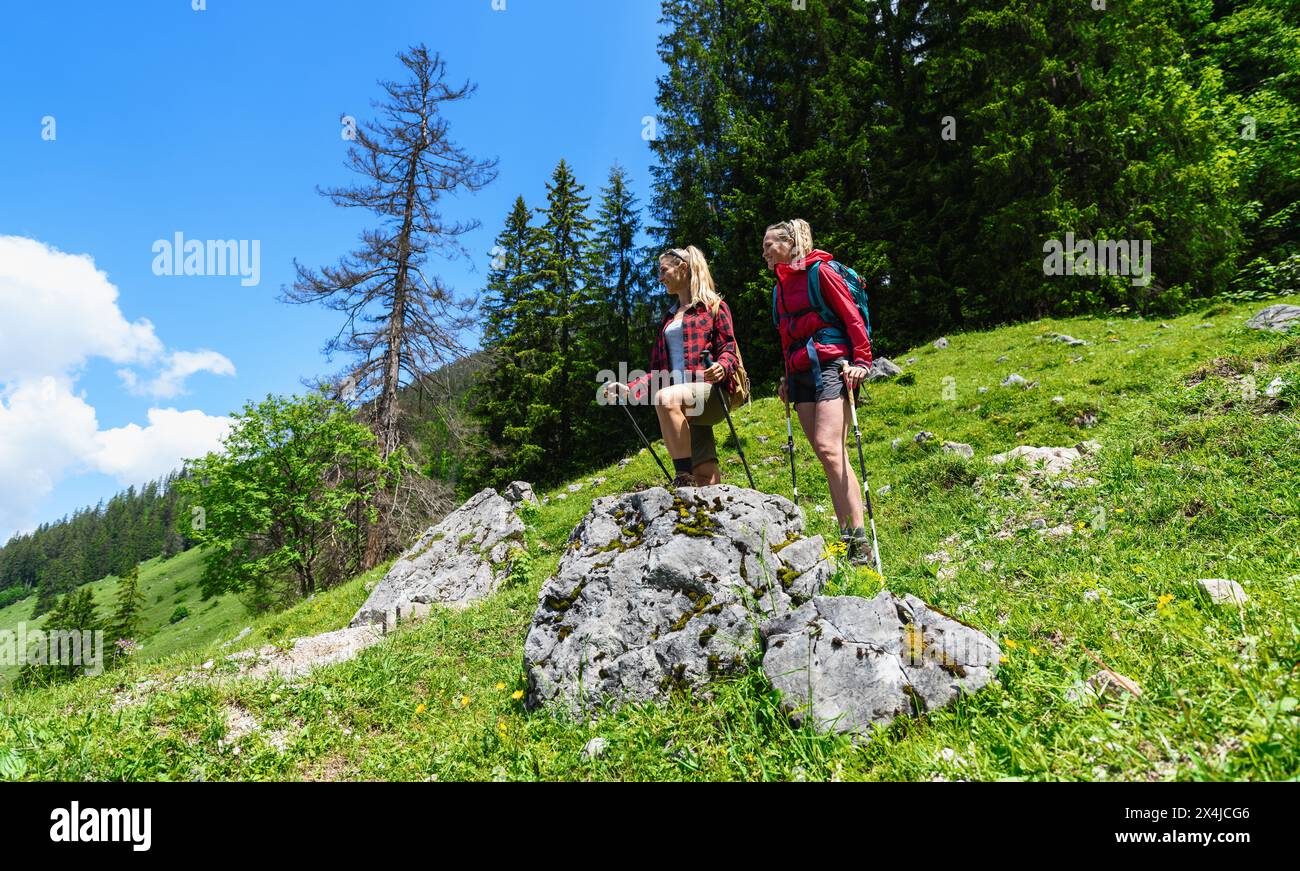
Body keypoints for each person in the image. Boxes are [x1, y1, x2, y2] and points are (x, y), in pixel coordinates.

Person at [764, 219, 875, 566]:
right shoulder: (780, 287)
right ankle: (849, 540)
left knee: (830, 447)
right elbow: (785, 336)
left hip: (830, 365)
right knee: (829, 457)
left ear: (791, 242)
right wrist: (785, 378)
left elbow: (851, 316)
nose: (764, 251)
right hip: (799, 373)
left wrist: (863, 361)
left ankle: (860, 542)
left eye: (771, 244)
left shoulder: (821, 272)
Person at [604, 246, 743, 488]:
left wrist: (722, 366)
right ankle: (713, 516)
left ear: (683, 267)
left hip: (711, 392)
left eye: (663, 270)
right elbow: (658, 372)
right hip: (683, 401)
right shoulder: (668, 319)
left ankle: (682, 480)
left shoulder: (713, 306)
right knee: (705, 473)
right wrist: (629, 388)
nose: (660, 278)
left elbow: (729, 350)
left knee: (665, 398)